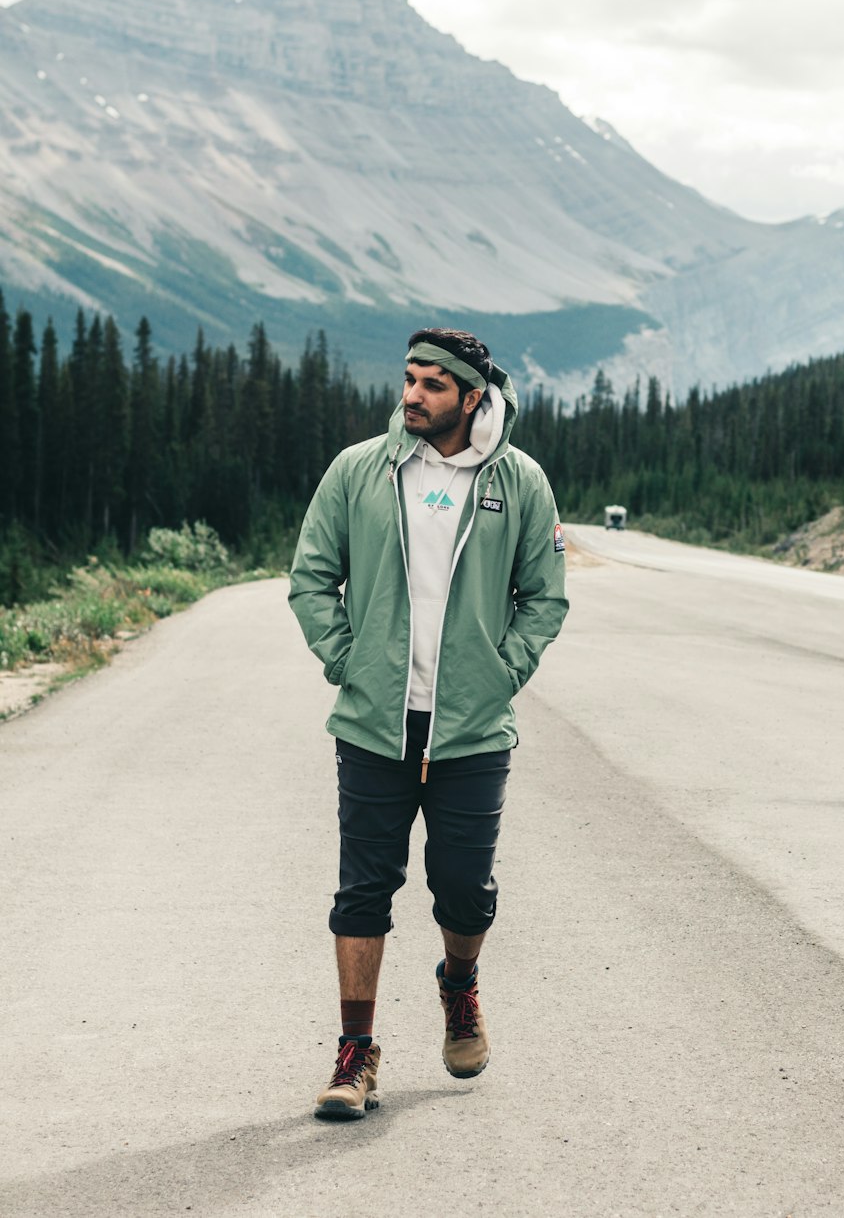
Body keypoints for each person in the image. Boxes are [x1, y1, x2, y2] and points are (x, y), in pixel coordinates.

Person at [288, 326, 569, 1120]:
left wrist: (501, 673)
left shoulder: (518, 482)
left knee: (465, 892)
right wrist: (349, 662)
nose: (411, 395)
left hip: (471, 733)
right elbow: (312, 577)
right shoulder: (359, 471)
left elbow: (544, 597)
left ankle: (459, 985)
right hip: (375, 724)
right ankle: (355, 1052)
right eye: (408, 379)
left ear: (472, 397)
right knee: (362, 891)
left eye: (432, 385)